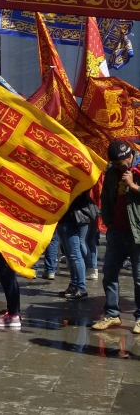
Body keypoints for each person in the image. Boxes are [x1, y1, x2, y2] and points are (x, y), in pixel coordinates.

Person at [92, 140, 140, 333]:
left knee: (139, 279)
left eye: (121, 163)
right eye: (115, 164)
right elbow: (105, 196)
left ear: (130, 156)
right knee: (109, 274)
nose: (119, 167)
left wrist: (133, 185)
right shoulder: (112, 172)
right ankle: (112, 314)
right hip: (117, 232)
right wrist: (108, 221)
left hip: (137, 234)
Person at [58, 191, 96, 301]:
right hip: (66, 217)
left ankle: (81, 288)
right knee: (70, 254)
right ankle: (74, 284)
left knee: (75, 254)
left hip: (74, 217)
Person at [0, 252, 22, 328]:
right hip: (4, 245)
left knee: (7, 275)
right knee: (8, 277)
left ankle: (13, 316)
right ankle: (14, 313)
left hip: (4, 245)